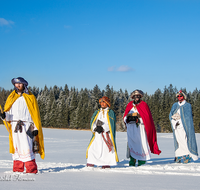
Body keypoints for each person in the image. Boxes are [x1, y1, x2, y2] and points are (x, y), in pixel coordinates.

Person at [0, 77, 45, 173]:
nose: (18, 85)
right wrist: (4, 115)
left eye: (20, 84)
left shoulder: (30, 97)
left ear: (24, 84)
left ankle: (31, 169)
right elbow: (9, 115)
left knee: (27, 148)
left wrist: (36, 128)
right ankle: (17, 169)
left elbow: (35, 114)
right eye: (16, 84)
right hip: (15, 126)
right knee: (17, 148)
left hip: (27, 126)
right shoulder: (11, 97)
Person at [123, 89, 161, 166]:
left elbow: (146, 117)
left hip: (140, 128)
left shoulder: (144, 104)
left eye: (138, 96)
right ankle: (132, 161)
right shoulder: (130, 105)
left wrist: (138, 119)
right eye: (135, 96)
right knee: (131, 144)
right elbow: (125, 116)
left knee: (141, 143)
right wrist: (128, 119)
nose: (136, 97)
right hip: (131, 128)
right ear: (133, 97)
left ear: (140, 96)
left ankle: (141, 161)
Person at [86, 96, 119, 168]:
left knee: (106, 150)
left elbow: (111, 124)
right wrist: (95, 128)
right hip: (97, 134)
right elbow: (93, 122)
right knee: (93, 148)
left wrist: (104, 128)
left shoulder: (111, 112)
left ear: (107, 103)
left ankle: (106, 163)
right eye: (101, 102)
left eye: (104, 102)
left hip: (106, 134)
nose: (102, 104)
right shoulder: (97, 112)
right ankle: (91, 162)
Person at [169, 90, 198, 163]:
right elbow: (171, 114)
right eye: (178, 96)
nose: (179, 97)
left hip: (184, 126)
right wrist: (173, 118)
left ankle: (186, 155)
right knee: (177, 141)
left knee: (184, 140)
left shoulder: (187, 105)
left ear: (184, 97)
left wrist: (181, 119)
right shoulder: (175, 105)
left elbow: (188, 117)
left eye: (180, 96)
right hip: (176, 126)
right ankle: (178, 155)